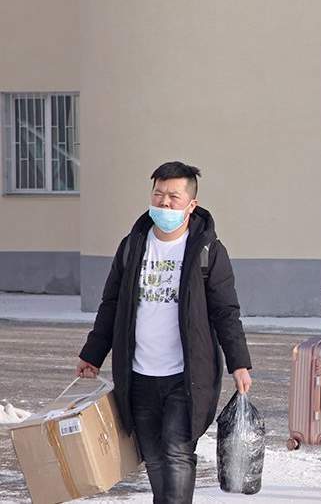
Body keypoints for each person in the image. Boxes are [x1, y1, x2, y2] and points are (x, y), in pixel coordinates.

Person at [76, 162, 253, 503]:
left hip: (186, 376)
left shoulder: (207, 251)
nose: (164, 203)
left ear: (191, 205)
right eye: (158, 195)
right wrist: (92, 354)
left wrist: (239, 363)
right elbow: (111, 304)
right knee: (153, 455)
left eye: (174, 196)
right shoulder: (133, 246)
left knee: (176, 452)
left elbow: (226, 311)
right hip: (139, 373)